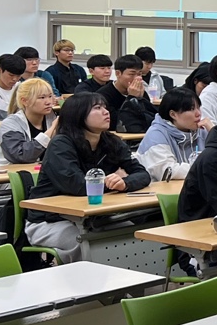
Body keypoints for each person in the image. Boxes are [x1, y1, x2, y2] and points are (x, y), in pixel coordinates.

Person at [24, 92, 149, 262]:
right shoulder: (61, 145)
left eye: (105, 107)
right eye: (97, 108)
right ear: (79, 115)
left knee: (131, 235)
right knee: (85, 244)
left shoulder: (111, 141)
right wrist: (110, 182)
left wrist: (124, 183)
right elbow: (79, 186)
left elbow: (142, 174)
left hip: (93, 217)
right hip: (49, 220)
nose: (106, 112)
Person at [137, 87, 211, 181]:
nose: (198, 113)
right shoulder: (156, 134)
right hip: (159, 189)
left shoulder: (202, 130)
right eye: (192, 109)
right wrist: (207, 168)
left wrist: (213, 131)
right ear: (173, 114)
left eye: (198, 107)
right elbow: (167, 171)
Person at [0, 77, 58, 165]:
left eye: (50, 96)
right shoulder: (10, 124)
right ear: (24, 101)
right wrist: (51, 130)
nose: (48, 102)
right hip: (11, 172)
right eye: (42, 97)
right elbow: (21, 156)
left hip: (42, 171)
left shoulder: (53, 119)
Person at [96, 54, 154, 132]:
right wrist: (131, 98)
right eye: (132, 74)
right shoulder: (103, 95)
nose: (137, 78)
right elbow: (117, 124)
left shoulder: (141, 92)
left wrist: (140, 99)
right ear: (118, 73)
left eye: (139, 74)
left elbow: (150, 118)